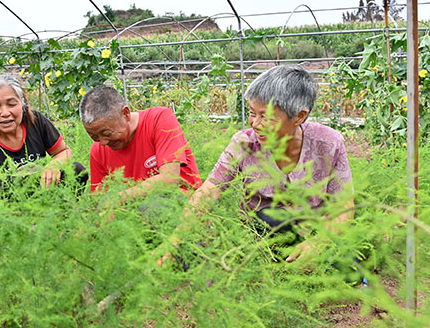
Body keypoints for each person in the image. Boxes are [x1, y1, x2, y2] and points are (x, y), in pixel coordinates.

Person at [180, 64, 354, 262]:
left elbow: (344, 206)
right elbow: (210, 190)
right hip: (263, 234)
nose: (255, 124)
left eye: (266, 116)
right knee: (272, 217)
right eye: (253, 113)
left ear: (299, 116)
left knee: (350, 266)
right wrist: (173, 242)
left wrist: (319, 242)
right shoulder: (244, 143)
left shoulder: (328, 144)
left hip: (317, 230)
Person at [0, 73, 86, 195]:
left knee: (76, 170)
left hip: (41, 192)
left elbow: (64, 151)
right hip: (4, 206)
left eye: (11, 104)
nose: (5, 113)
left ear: (22, 104)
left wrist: (54, 165)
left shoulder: (36, 122)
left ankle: (63, 212)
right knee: (2, 186)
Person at [79, 86, 201, 202]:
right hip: (132, 213)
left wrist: (119, 199)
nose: (103, 142)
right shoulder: (97, 150)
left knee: (154, 206)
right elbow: (101, 200)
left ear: (125, 114)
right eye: (94, 137)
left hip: (182, 204)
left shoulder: (159, 119)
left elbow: (169, 178)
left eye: (107, 133)